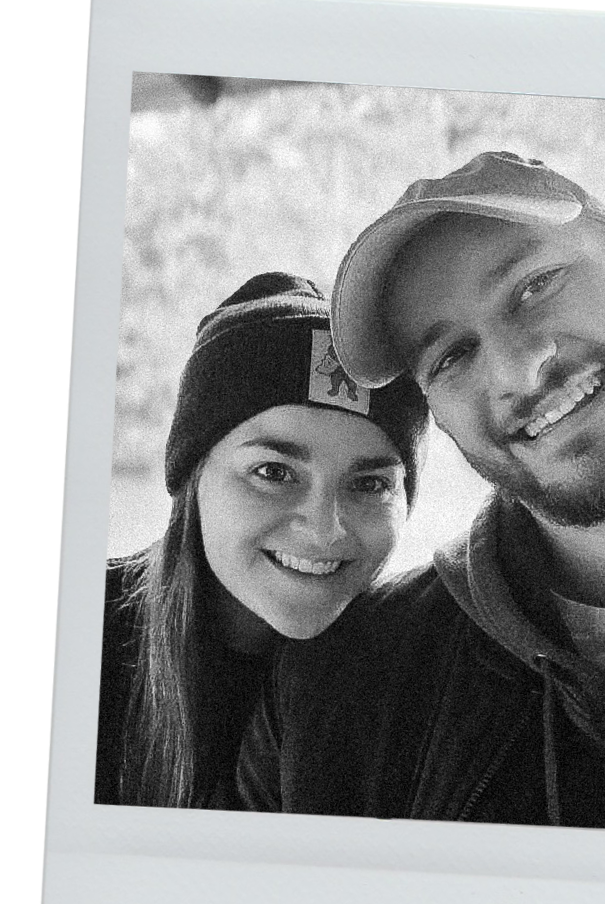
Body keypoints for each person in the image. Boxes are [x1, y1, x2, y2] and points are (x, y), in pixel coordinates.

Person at [236, 152, 605, 829]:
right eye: (453, 356)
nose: (520, 372)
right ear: (436, 413)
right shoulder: (337, 693)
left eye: (537, 286)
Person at [95, 271, 429, 810]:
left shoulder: (414, 683)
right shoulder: (83, 640)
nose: (325, 529)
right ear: (192, 476)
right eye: (274, 472)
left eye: (370, 484)